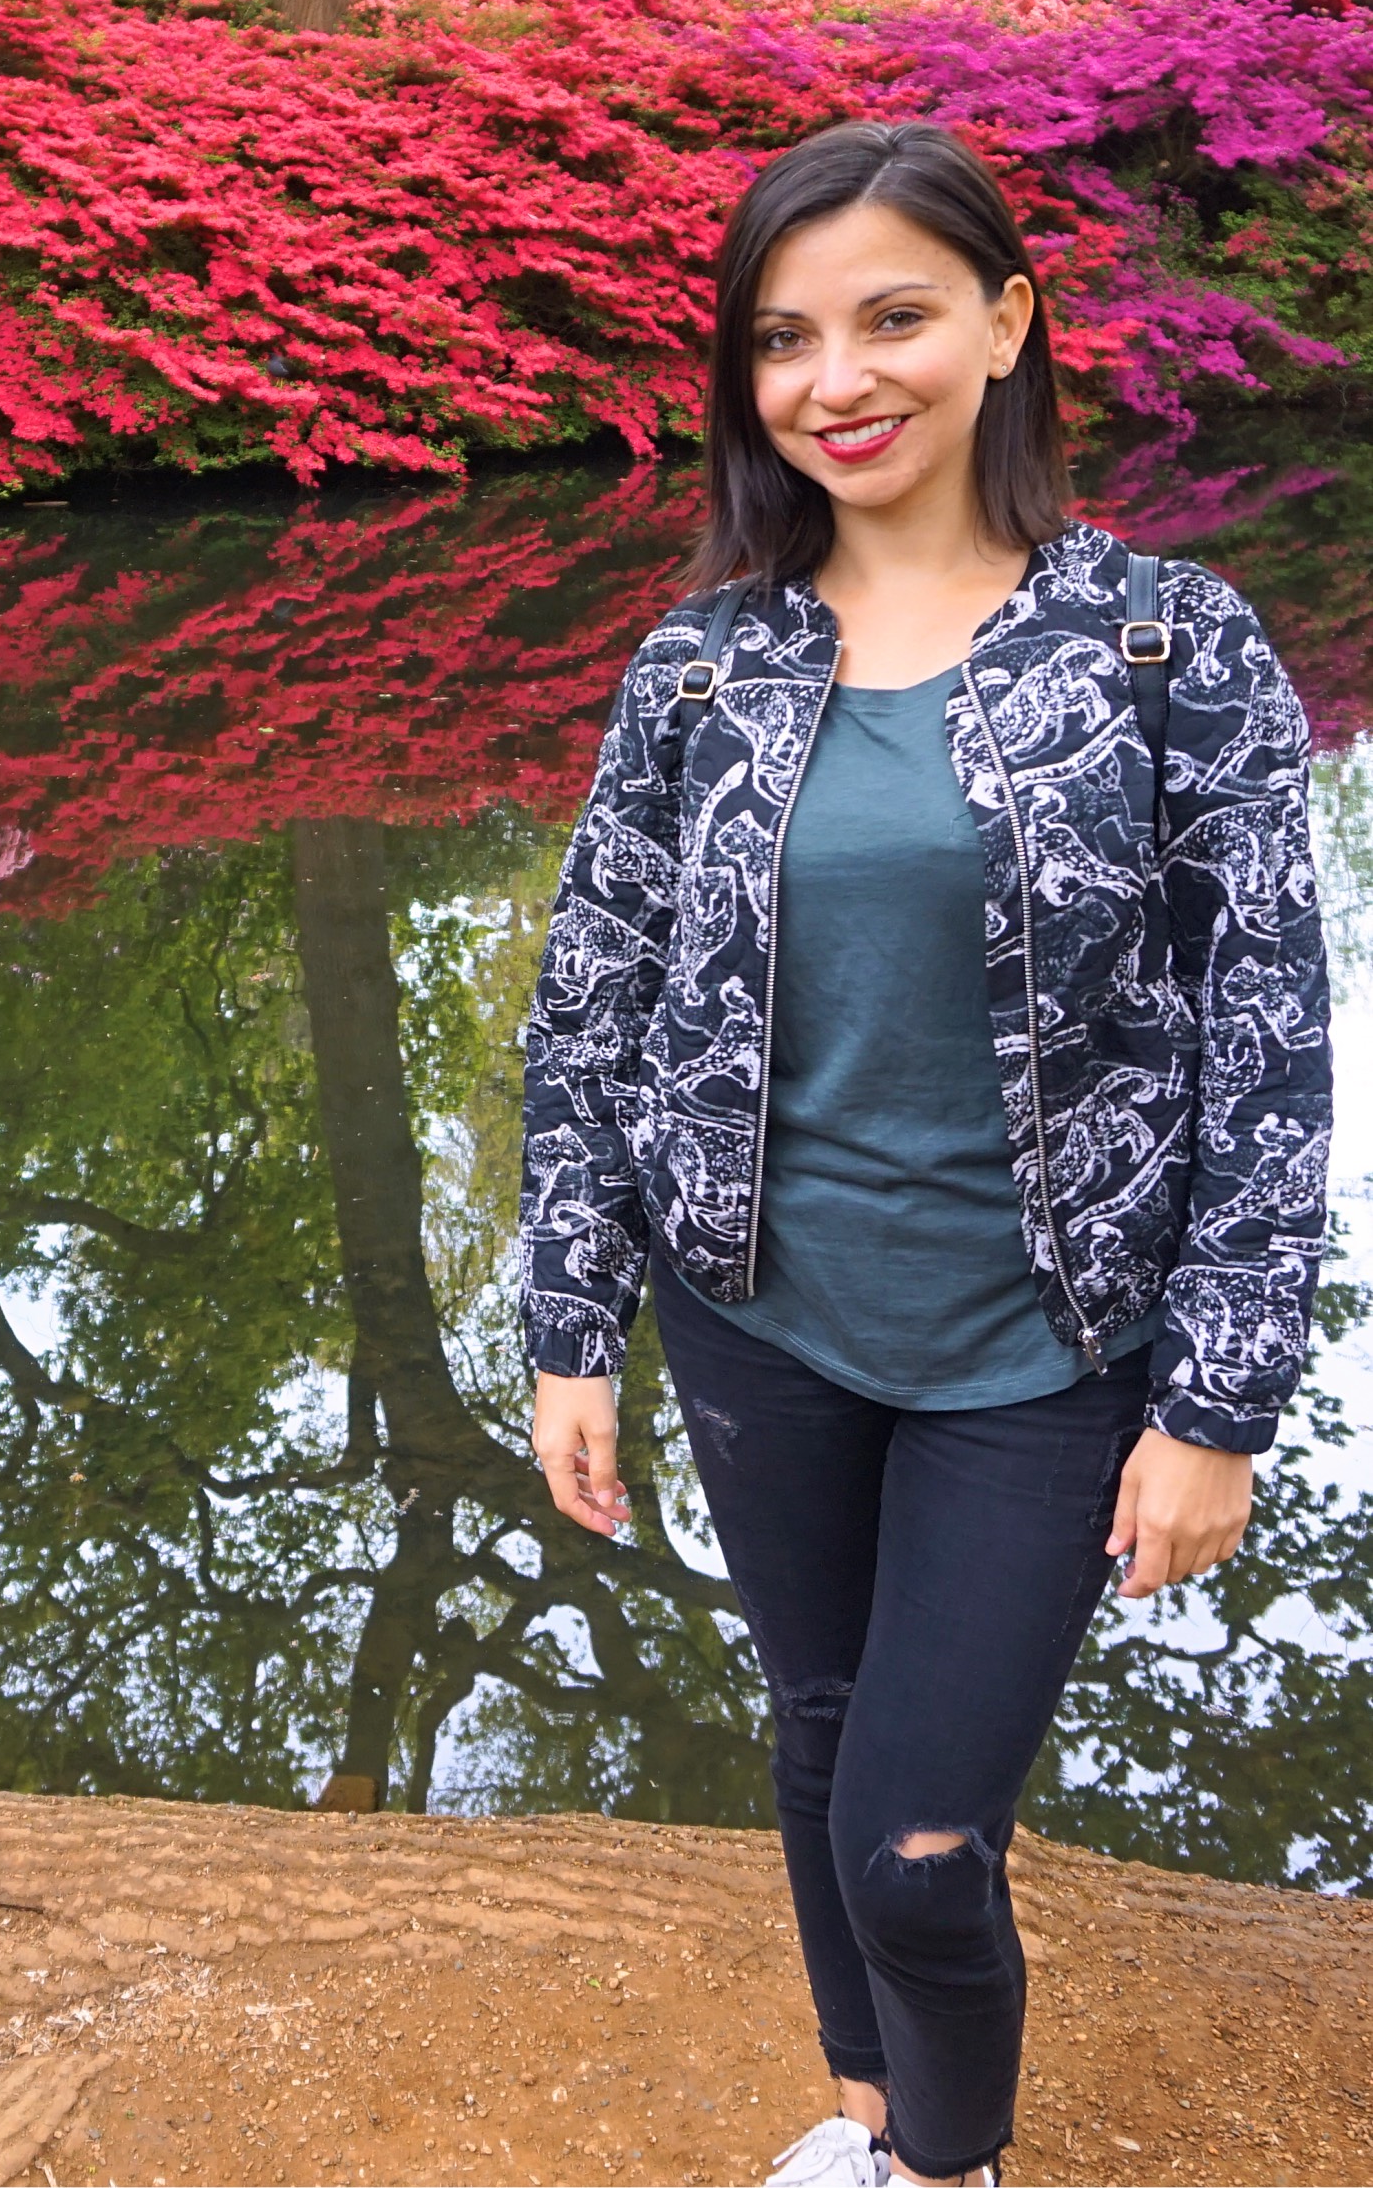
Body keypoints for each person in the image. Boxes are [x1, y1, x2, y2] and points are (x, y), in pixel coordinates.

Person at [519, 119, 1331, 2188]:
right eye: (782, 337)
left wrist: (1217, 1402)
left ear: (1003, 320)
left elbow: (1264, 1039)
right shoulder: (701, 660)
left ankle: (943, 2165)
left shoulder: (1162, 647)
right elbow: (595, 999)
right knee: (815, 1729)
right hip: (760, 1317)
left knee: (915, 1830)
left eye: (891, 316)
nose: (834, 380)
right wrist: (570, 1321)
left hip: (1041, 1346)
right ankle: (873, 2117)